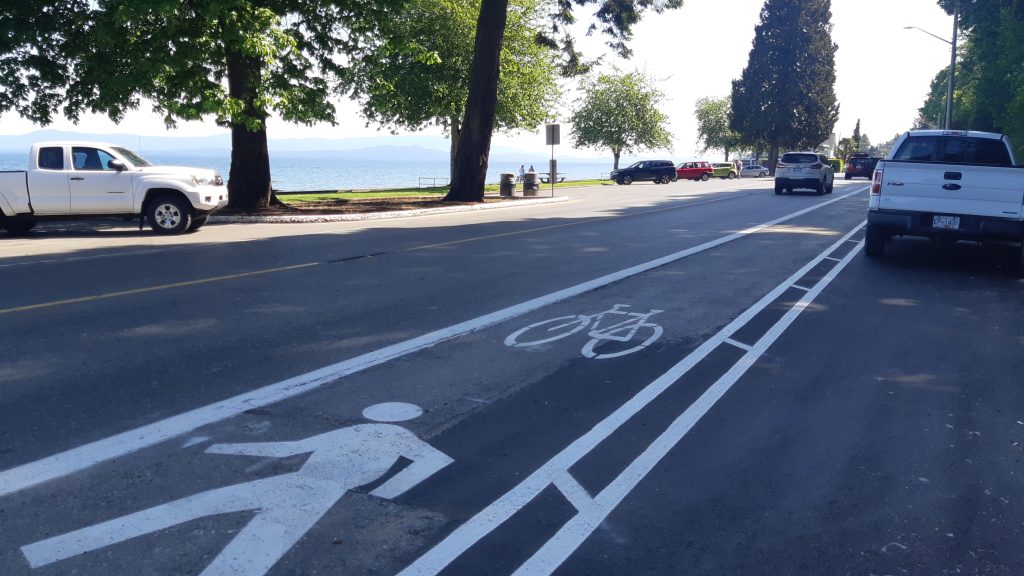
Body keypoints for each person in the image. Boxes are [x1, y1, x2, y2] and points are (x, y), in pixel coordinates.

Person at [22, 402, 453, 574]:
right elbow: (290, 448)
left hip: (309, 489)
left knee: (211, 520)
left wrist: (224, 446)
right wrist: (390, 488)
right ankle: (55, 548)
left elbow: (288, 448)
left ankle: (55, 549)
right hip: (301, 485)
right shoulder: (397, 437)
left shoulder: (387, 436)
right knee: (203, 510)